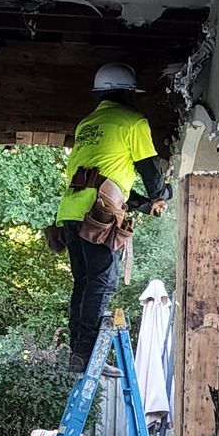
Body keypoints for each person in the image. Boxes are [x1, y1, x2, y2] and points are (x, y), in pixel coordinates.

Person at [54, 63, 167, 372]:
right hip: (98, 214)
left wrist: (142, 204)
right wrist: (160, 195)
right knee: (102, 282)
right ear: (129, 94)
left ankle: (79, 353)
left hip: (72, 211)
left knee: (84, 282)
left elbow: (105, 175)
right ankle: (88, 355)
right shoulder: (132, 122)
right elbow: (149, 168)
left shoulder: (87, 125)